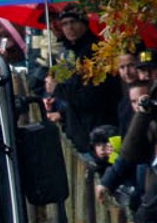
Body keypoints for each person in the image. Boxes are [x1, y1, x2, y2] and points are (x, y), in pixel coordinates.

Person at [42, 8, 120, 149]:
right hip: (78, 129)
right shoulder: (69, 53)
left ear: (84, 23)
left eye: (73, 22)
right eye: (64, 24)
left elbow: (89, 97)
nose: (69, 28)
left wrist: (58, 89)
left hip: (98, 130)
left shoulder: (94, 52)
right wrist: (61, 112)